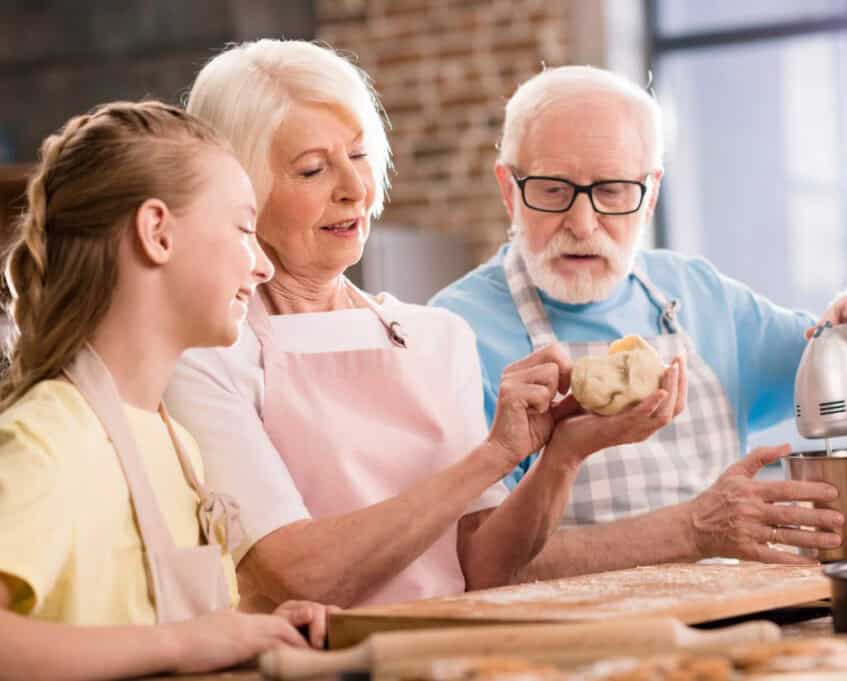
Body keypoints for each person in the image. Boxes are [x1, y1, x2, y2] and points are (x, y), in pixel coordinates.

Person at [165, 39, 683, 611]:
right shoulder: (206, 357)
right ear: (240, 191)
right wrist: (492, 455)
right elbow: (303, 577)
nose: (354, 189)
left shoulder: (438, 337)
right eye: (312, 168)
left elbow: (486, 569)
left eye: (359, 156)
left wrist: (560, 456)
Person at [430, 65, 847, 578]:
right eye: (552, 190)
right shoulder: (453, 334)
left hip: (734, 626)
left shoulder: (701, 296)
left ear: (651, 194)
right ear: (509, 189)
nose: (581, 223)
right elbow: (477, 566)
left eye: (613, 191)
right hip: (564, 646)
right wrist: (694, 529)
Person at [0, 101, 338, 681]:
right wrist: (183, 643)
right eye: (241, 229)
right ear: (157, 232)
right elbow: (173, 643)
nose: (261, 267)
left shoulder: (173, 440)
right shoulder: (49, 438)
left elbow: (150, 623)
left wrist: (257, 628)